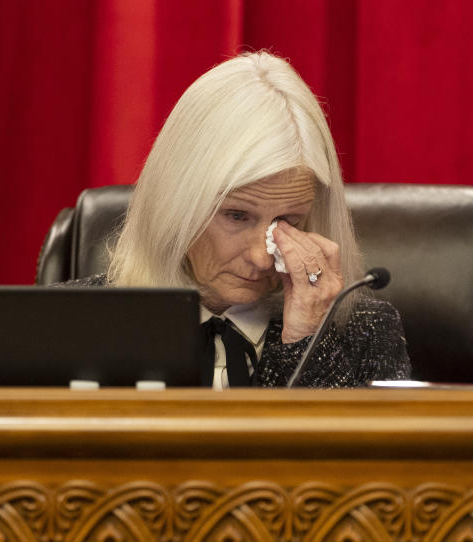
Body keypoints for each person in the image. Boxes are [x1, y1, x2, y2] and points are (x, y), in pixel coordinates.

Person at [74, 52, 410, 388]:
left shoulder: (365, 333)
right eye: (237, 216)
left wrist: (307, 340)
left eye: (287, 221)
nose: (261, 258)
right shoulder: (75, 322)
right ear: (176, 206)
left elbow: (327, 441)